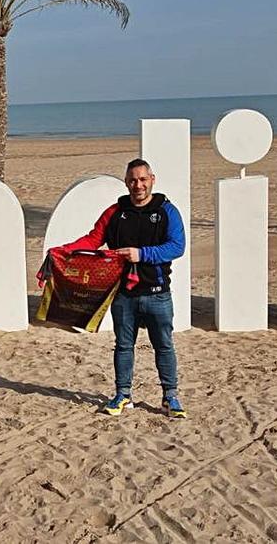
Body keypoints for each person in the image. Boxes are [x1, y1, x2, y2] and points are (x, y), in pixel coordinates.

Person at [50, 158, 187, 418]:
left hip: (158, 293)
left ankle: (170, 397)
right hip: (123, 294)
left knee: (164, 346)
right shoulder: (115, 212)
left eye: (143, 180)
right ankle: (123, 395)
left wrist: (142, 254)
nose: (138, 185)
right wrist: (65, 250)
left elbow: (176, 246)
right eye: (133, 180)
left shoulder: (167, 211)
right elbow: (93, 239)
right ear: (126, 183)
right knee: (124, 346)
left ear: (152, 180)